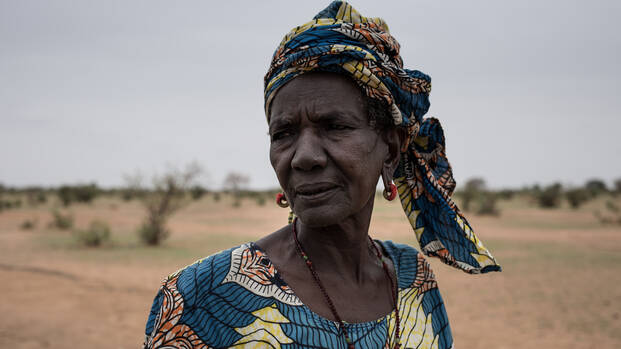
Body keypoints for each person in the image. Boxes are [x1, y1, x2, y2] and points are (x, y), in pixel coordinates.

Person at [143, 2, 500, 348]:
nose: (305, 157)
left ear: (390, 150)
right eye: (283, 133)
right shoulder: (202, 296)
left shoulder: (414, 280)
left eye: (334, 126)